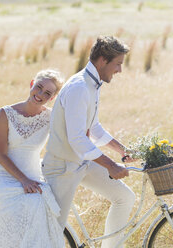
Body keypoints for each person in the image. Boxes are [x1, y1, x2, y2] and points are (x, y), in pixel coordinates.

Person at [42, 36, 136, 248]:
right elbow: (77, 139)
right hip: (62, 167)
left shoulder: (93, 84)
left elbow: (93, 128)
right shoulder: (79, 88)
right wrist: (111, 165)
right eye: (118, 64)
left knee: (124, 198)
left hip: (81, 162)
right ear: (102, 60)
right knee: (52, 234)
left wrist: (122, 150)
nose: (120, 70)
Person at [0, 69, 64, 248]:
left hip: (32, 176)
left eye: (47, 93)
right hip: (4, 177)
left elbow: (68, 136)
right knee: (33, 205)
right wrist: (24, 180)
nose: (40, 94)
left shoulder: (51, 117)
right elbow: (1, 156)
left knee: (44, 209)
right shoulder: (6, 113)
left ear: (52, 98)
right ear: (31, 84)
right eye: (39, 87)